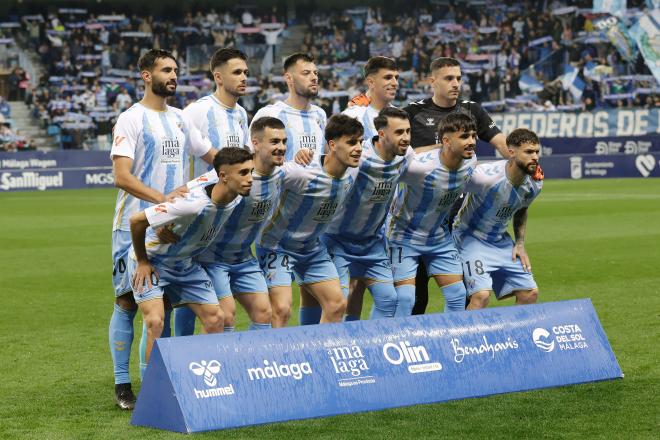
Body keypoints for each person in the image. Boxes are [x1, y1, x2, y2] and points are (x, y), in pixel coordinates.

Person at [109, 49, 216, 410]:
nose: (173, 75)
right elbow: (121, 177)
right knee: (127, 303)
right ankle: (123, 384)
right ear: (145, 75)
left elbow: (214, 157)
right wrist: (162, 203)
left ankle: (159, 380)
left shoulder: (182, 119)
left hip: (172, 229)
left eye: (176, 70)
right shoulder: (130, 119)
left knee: (162, 307)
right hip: (132, 228)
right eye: (166, 70)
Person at [128, 147, 253, 370]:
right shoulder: (192, 204)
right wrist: (143, 261)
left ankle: (197, 378)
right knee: (155, 321)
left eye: (251, 172)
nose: (250, 179)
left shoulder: (233, 197)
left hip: (185, 265)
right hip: (152, 262)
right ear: (223, 176)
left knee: (216, 319)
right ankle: (151, 391)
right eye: (243, 173)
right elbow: (136, 221)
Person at [403, 57, 510, 316]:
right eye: (449, 78)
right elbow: (401, 152)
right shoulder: (414, 112)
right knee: (416, 299)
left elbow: (501, 143)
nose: (456, 84)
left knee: (462, 293)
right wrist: (445, 147)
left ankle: (461, 346)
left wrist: (521, 162)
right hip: (420, 219)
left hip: (460, 219)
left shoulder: (471, 109)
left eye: (459, 78)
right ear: (432, 81)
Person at [174, 117, 286, 336]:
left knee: (265, 313)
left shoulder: (282, 173)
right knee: (225, 317)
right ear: (255, 143)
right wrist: (168, 222)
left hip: (244, 258)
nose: (281, 147)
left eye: (284, 141)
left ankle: (252, 366)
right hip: (212, 258)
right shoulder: (235, 172)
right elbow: (183, 191)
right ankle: (214, 366)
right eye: (274, 141)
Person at [256, 114, 363, 327]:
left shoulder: (354, 169)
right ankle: (271, 359)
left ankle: (319, 357)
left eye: (360, 142)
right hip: (277, 247)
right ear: (332, 145)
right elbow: (261, 170)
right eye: (351, 143)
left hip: (312, 249)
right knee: (281, 309)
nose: (358, 148)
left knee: (337, 305)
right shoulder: (300, 172)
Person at [320, 107, 415, 322]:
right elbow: (327, 169)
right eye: (399, 132)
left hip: (372, 242)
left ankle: (371, 348)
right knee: (337, 302)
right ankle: (329, 350)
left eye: (408, 131)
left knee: (389, 299)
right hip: (338, 240)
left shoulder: (407, 156)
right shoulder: (359, 159)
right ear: (382, 134)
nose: (406, 138)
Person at [386, 112, 478, 316]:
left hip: (438, 237)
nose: (471, 142)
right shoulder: (419, 166)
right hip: (404, 237)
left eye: (473, 136)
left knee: (458, 294)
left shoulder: (470, 162)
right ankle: (400, 344)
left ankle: (451, 341)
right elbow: (386, 179)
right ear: (446, 141)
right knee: (405, 299)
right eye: (464, 137)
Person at [453, 128, 543, 309]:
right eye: (528, 152)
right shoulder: (485, 176)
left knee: (530, 293)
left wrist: (520, 244)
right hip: (470, 238)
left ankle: (513, 336)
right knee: (481, 296)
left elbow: (522, 210)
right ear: (511, 152)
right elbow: (449, 187)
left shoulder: (535, 182)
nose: (535, 157)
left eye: (536, 152)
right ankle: (465, 338)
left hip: (500, 241)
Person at [183, 48, 250, 178]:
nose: (244, 78)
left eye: (245, 72)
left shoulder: (241, 113)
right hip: (200, 196)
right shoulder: (198, 110)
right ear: (218, 78)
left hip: (232, 196)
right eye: (237, 72)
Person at [250, 53, 326, 161]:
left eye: (315, 73)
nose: (314, 78)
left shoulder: (320, 114)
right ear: (289, 78)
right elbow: (250, 157)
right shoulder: (270, 113)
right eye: (306, 73)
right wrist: (291, 166)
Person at [343, 56, 399, 142]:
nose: (395, 83)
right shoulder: (352, 116)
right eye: (388, 77)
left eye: (396, 78)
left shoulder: (399, 115)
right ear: (371, 82)